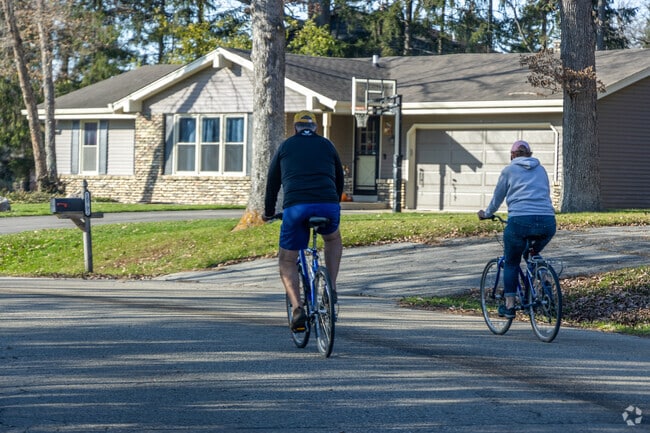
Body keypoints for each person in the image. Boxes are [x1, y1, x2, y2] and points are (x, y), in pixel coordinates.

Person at [264, 111, 344, 332]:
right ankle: (331, 288)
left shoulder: (285, 146)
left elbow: (272, 183)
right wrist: (333, 202)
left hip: (296, 207)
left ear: (295, 128)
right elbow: (339, 177)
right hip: (328, 205)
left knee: (287, 260)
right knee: (333, 238)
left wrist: (269, 211)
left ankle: (298, 308)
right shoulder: (327, 145)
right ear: (315, 128)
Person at [478, 140, 556, 318]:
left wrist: (486, 213)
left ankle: (510, 306)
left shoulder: (509, 170)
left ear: (512, 155)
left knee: (512, 262)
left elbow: (497, 198)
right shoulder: (541, 169)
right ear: (530, 154)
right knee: (532, 253)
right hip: (547, 222)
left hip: (520, 221)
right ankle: (543, 275)